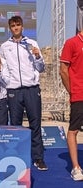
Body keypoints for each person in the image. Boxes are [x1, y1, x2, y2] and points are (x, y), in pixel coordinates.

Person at [0, 16, 48, 170]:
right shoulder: (4, 46)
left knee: (35, 124)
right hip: (14, 91)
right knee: (15, 126)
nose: (15, 28)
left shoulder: (32, 43)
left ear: (22, 27)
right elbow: (4, 69)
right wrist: (8, 83)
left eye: (18, 25)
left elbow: (41, 68)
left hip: (32, 89)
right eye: (13, 25)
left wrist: (38, 56)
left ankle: (38, 158)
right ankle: (17, 158)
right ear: (10, 28)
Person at [60, 29, 83, 181]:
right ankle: (76, 168)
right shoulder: (71, 42)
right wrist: (72, 91)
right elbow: (63, 71)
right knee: (73, 130)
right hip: (79, 94)